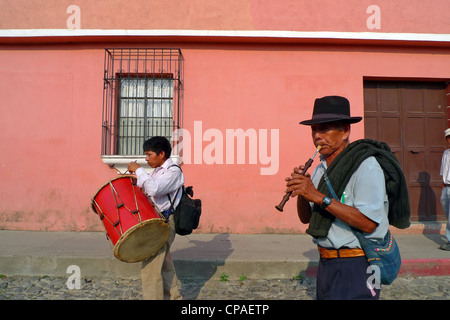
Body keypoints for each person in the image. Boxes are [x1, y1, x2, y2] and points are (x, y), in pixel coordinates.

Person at [285, 95, 409, 300]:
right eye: (314, 130)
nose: (317, 136)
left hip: (358, 264)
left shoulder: (366, 166)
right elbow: (306, 218)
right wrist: (302, 190)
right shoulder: (319, 169)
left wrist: (317, 196)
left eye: (325, 129)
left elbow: (369, 223)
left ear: (345, 131)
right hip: (327, 263)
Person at [127, 136, 183, 300]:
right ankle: (173, 297)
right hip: (155, 220)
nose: (146, 158)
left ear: (162, 154)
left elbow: (155, 189)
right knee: (164, 264)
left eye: (149, 154)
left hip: (164, 222)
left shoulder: (173, 171)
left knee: (151, 265)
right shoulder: (158, 171)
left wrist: (139, 170)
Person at [439, 128, 450, 251]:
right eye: (449, 138)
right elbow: (444, 169)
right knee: (447, 213)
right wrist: (443, 182)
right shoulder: (446, 153)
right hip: (446, 187)